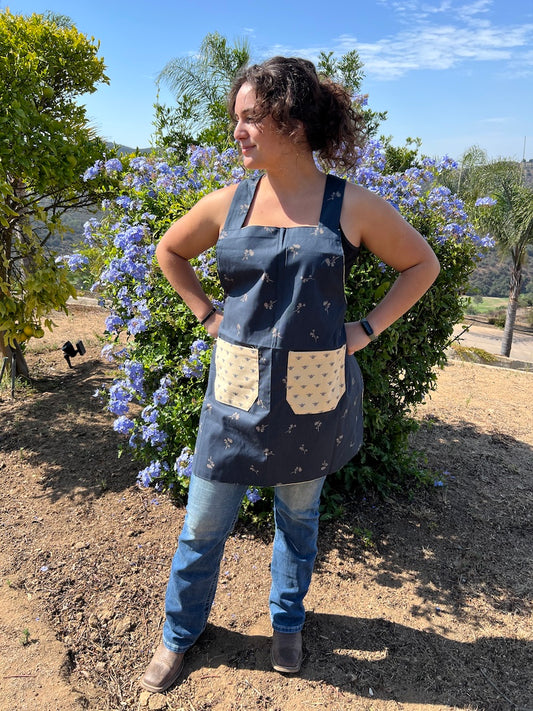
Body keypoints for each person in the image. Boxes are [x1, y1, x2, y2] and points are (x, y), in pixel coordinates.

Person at [141, 56, 440, 693]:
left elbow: (421, 264)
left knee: (298, 521)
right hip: (234, 397)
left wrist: (365, 329)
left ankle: (286, 622)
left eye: (251, 118)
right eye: (236, 118)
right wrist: (206, 315)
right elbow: (169, 250)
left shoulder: (350, 206)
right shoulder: (228, 202)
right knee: (201, 525)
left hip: (311, 397)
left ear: (293, 121)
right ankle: (179, 635)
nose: (237, 131)